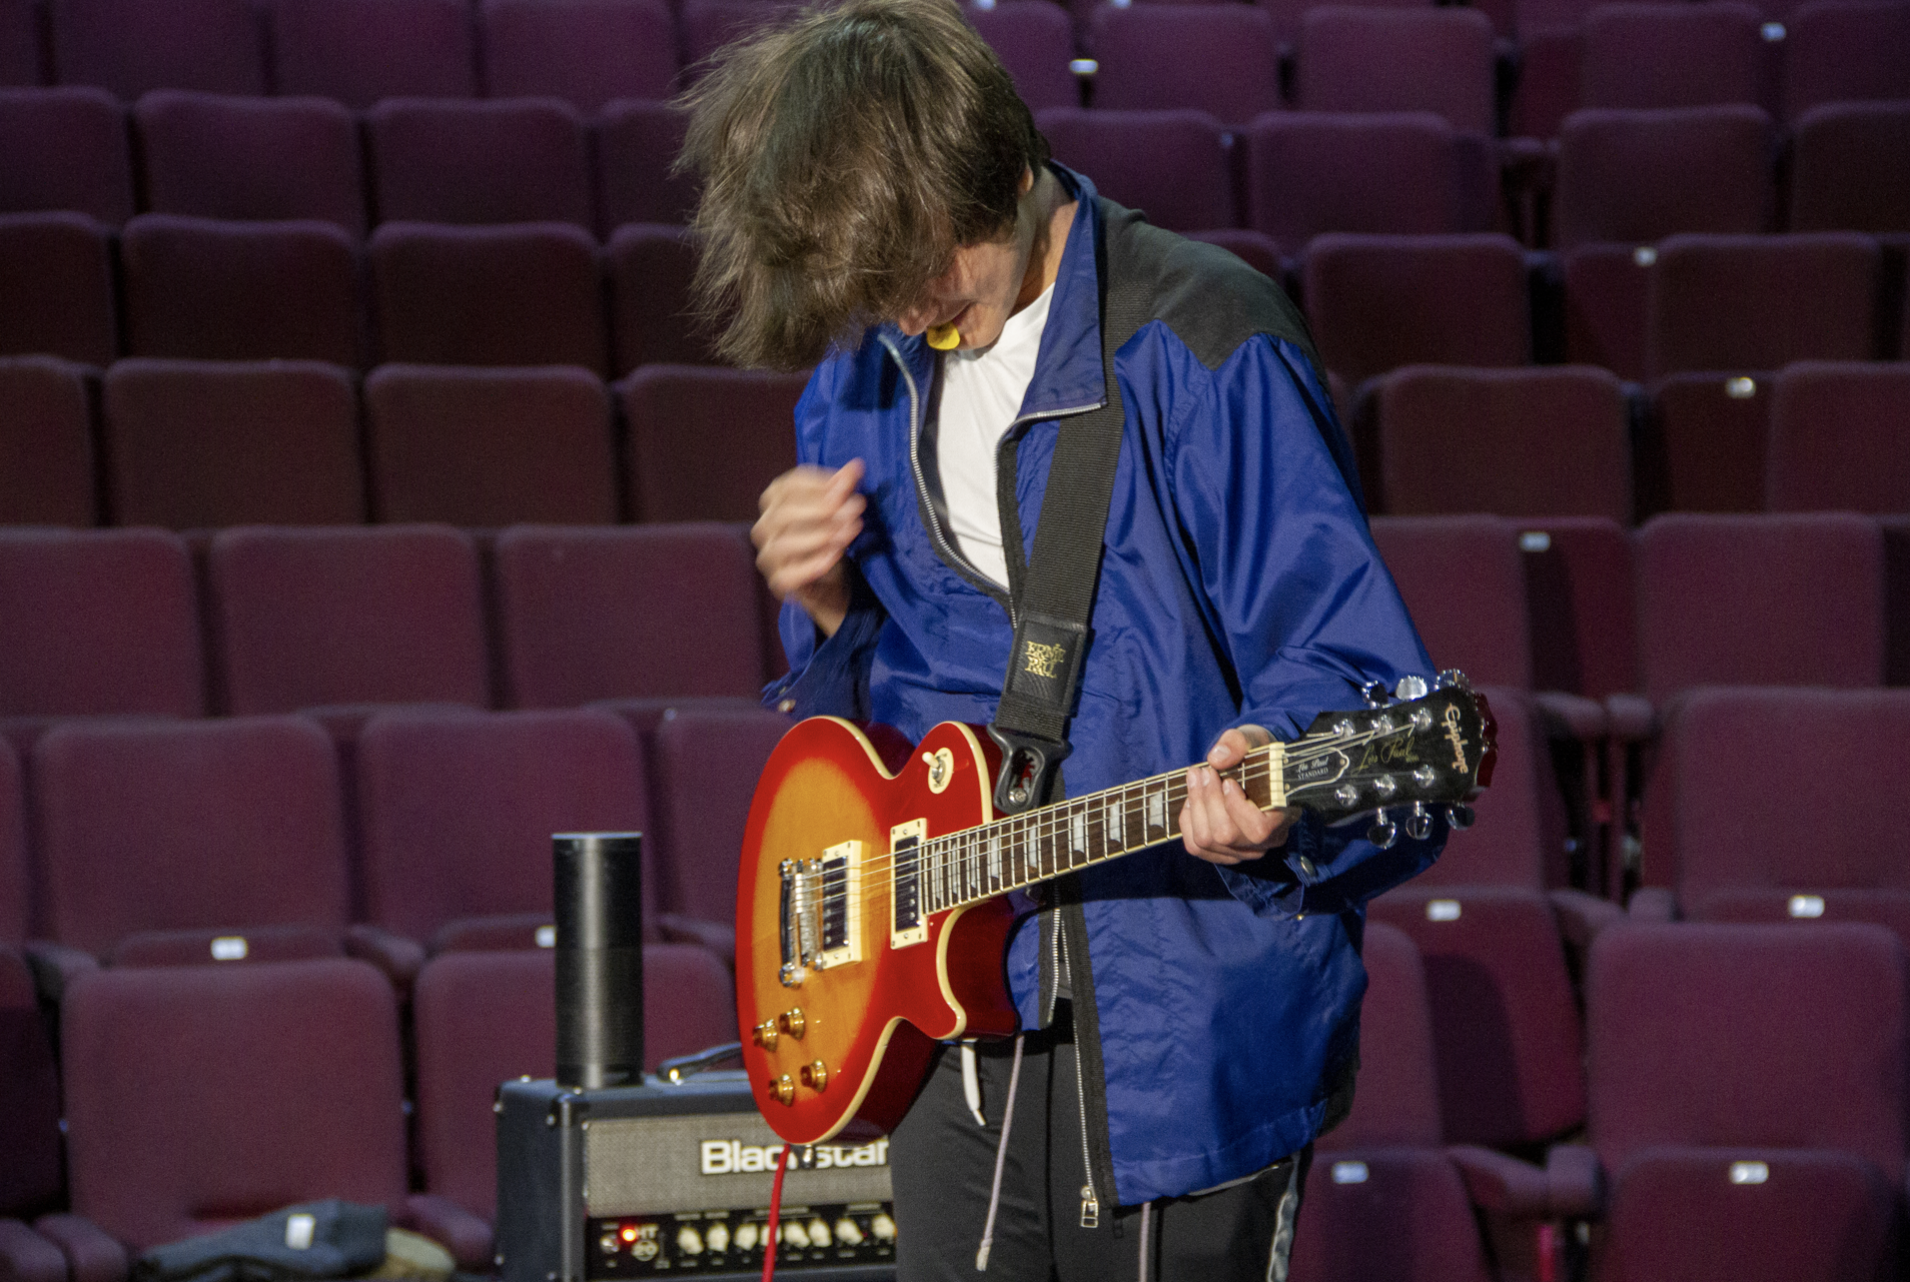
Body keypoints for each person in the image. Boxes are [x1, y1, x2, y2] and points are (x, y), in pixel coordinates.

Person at [680, 2, 1449, 1277]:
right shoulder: (863, 369)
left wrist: (1278, 762)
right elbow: (879, 715)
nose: (907, 310)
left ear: (996, 169)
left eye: (922, 266)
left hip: (1174, 1014)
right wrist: (818, 607)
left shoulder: (1203, 341)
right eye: (870, 289)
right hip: (940, 1017)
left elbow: (1347, 657)